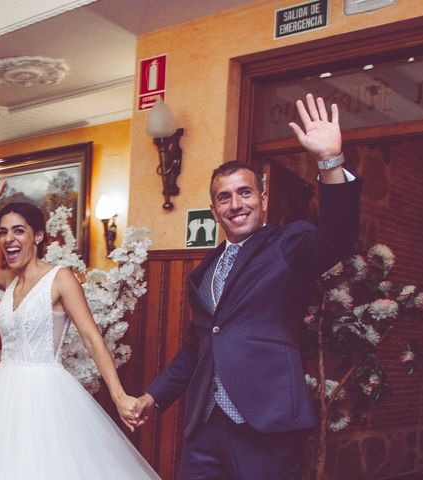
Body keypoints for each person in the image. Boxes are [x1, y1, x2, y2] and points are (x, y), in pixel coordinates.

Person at [131, 94, 362, 479]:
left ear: (263, 199)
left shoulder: (289, 245)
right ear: (214, 210)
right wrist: (152, 397)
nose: (236, 204)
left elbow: (338, 235)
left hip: (266, 423)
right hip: (205, 427)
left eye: (245, 193)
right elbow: (196, 347)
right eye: (224, 197)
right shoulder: (203, 273)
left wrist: (330, 161)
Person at [0, 185, 160, 479]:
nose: (9, 239)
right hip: (0, 394)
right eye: (3, 232)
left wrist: (119, 396)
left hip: (45, 393)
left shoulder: (60, 279)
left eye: (18, 231)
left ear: (38, 236)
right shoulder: (9, 280)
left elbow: (92, 339)